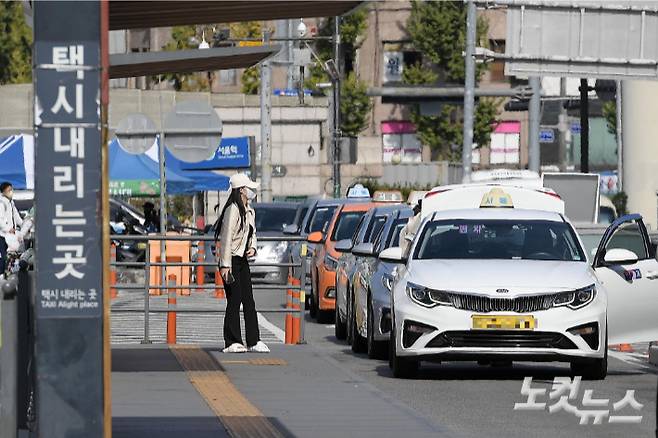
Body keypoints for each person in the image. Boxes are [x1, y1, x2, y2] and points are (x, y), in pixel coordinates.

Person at [214, 173, 269, 353]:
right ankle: (231, 341)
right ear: (241, 190)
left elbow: (251, 233)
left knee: (248, 300)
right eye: (249, 188)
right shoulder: (233, 209)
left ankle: (254, 340)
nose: (252, 191)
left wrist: (252, 247)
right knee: (234, 300)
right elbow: (226, 238)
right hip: (230, 260)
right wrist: (225, 265)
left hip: (242, 259)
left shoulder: (248, 209)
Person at [0, 182, 23, 277]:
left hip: (11, 236)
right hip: (3, 235)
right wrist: (8, 228)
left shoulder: (11, 202)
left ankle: (9, 274)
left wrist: (23, 225)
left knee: (12, 256)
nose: (11, 191)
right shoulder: (1, 203)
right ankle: (2, 276)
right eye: (9, 190)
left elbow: (16, 216)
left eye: (11, 189)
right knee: (4, 257)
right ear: (3, 192)